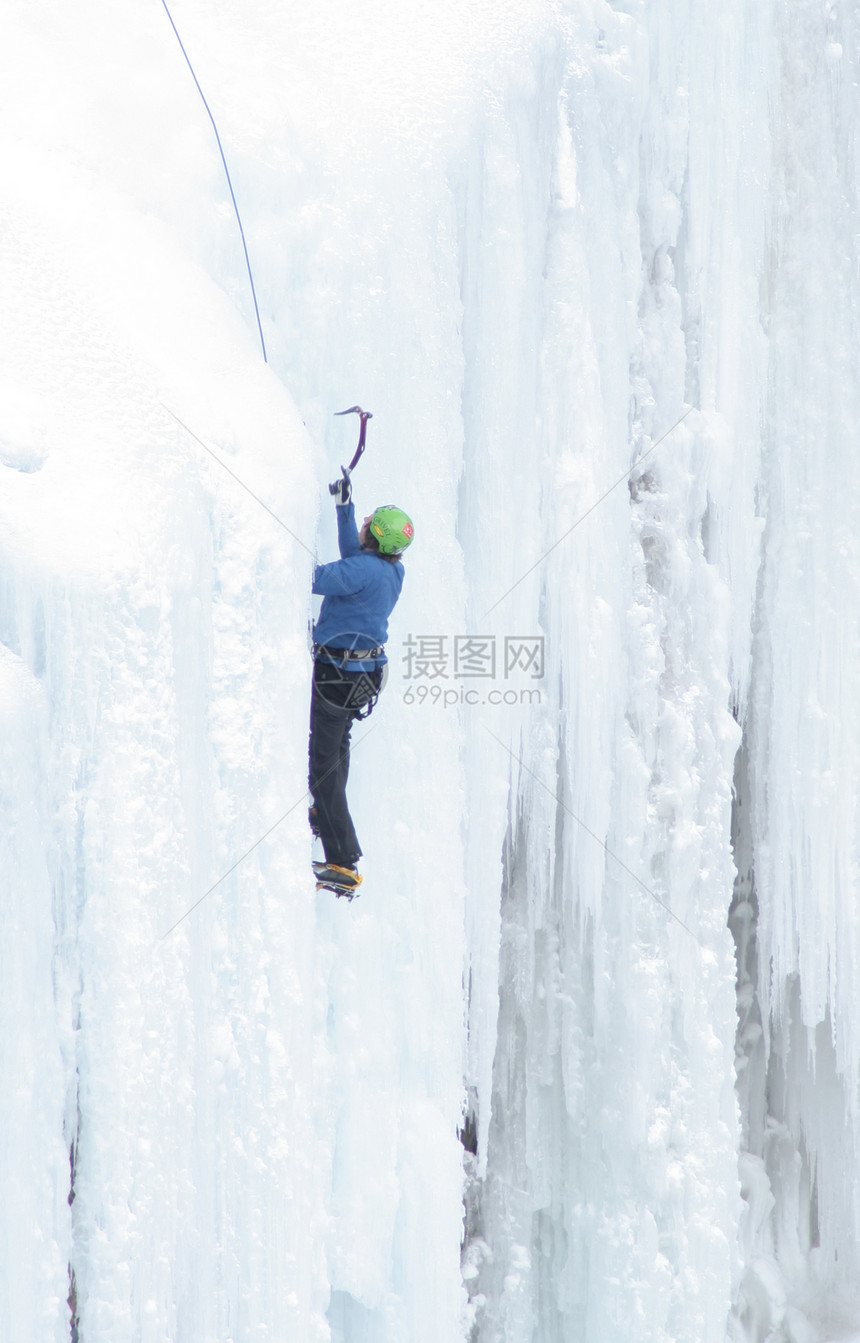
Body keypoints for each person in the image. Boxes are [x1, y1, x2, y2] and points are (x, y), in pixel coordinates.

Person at [309, 467, 414, 896]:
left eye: (370, 521)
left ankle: (343, 860)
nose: (366, 521)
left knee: (322, 767)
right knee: (336, 752)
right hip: (363, 677)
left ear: (375, 539)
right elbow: (357, 557)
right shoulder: (389, 572)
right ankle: (326, 816)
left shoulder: (363, 572)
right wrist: (345, 507)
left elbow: (315, 579)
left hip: (337, 674)